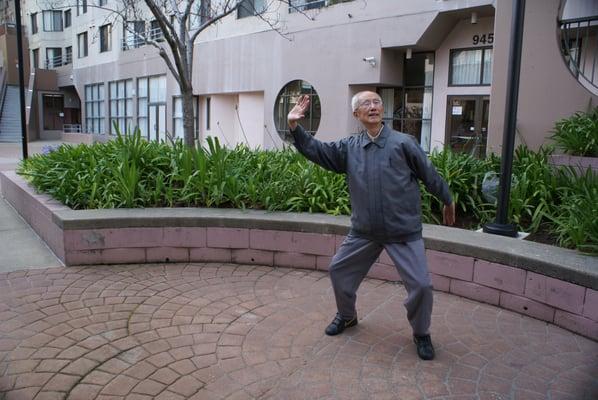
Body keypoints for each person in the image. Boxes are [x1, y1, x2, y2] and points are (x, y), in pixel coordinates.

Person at [287, 91, 455, 361]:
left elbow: (428, 173)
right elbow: (319, 152)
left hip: (403, 232)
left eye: (377, 101)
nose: (373, 106)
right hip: (364, 232)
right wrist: (295, 126)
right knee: (338, 269)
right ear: (357, 115)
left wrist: (447, 199)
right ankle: (347, 315)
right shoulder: (349, 147)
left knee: (422, 286)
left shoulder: (403, 143)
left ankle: (421, 333)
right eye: (366, 103)